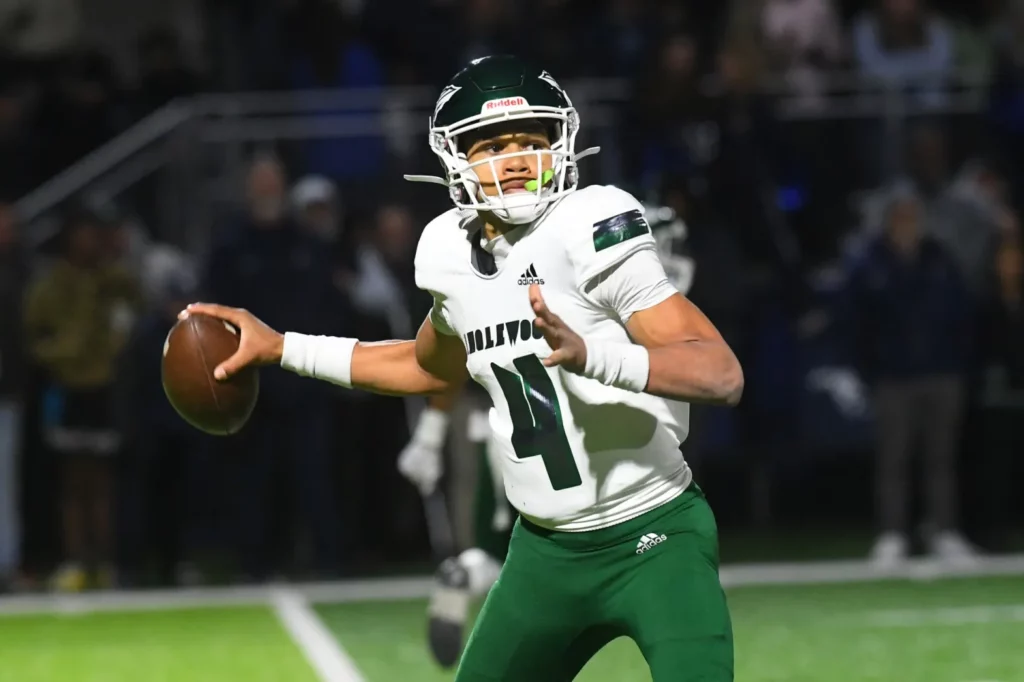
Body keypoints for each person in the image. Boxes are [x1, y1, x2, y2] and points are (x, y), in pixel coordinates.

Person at [184, 55, 743, 682]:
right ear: (456, 159)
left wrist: (594, 355)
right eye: (494, 145)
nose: (516, 160)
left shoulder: (589, 224)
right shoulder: (447, 250)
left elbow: (719, 374)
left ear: (562, 145)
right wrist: (284, 347)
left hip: (655, 537)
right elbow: (426, 365)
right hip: (545, 554)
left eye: (532, 141)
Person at [396, 200, 700, 667]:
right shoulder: (597, 281)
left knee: (494, 543)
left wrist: (431, 433)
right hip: (578, 450)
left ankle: (467, 568)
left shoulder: (534, 270)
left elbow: (439, 361)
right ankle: (475, 569)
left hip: (513, 433)